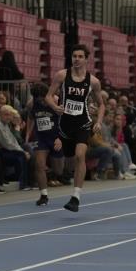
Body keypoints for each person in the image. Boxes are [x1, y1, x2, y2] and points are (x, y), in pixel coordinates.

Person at [46, 44, 104, 212]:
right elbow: (48, 96)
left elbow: (101, 105)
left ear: (86, 59)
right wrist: (54, 106)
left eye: (80, 56)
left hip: (83, 123)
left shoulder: (93, 81)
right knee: (70, 161)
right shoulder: (62, 75)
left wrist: (99, 121)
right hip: (65, 125)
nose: (77, 59)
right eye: (74, 56)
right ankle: (72, 179)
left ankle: (76, 197)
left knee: (80, 156)